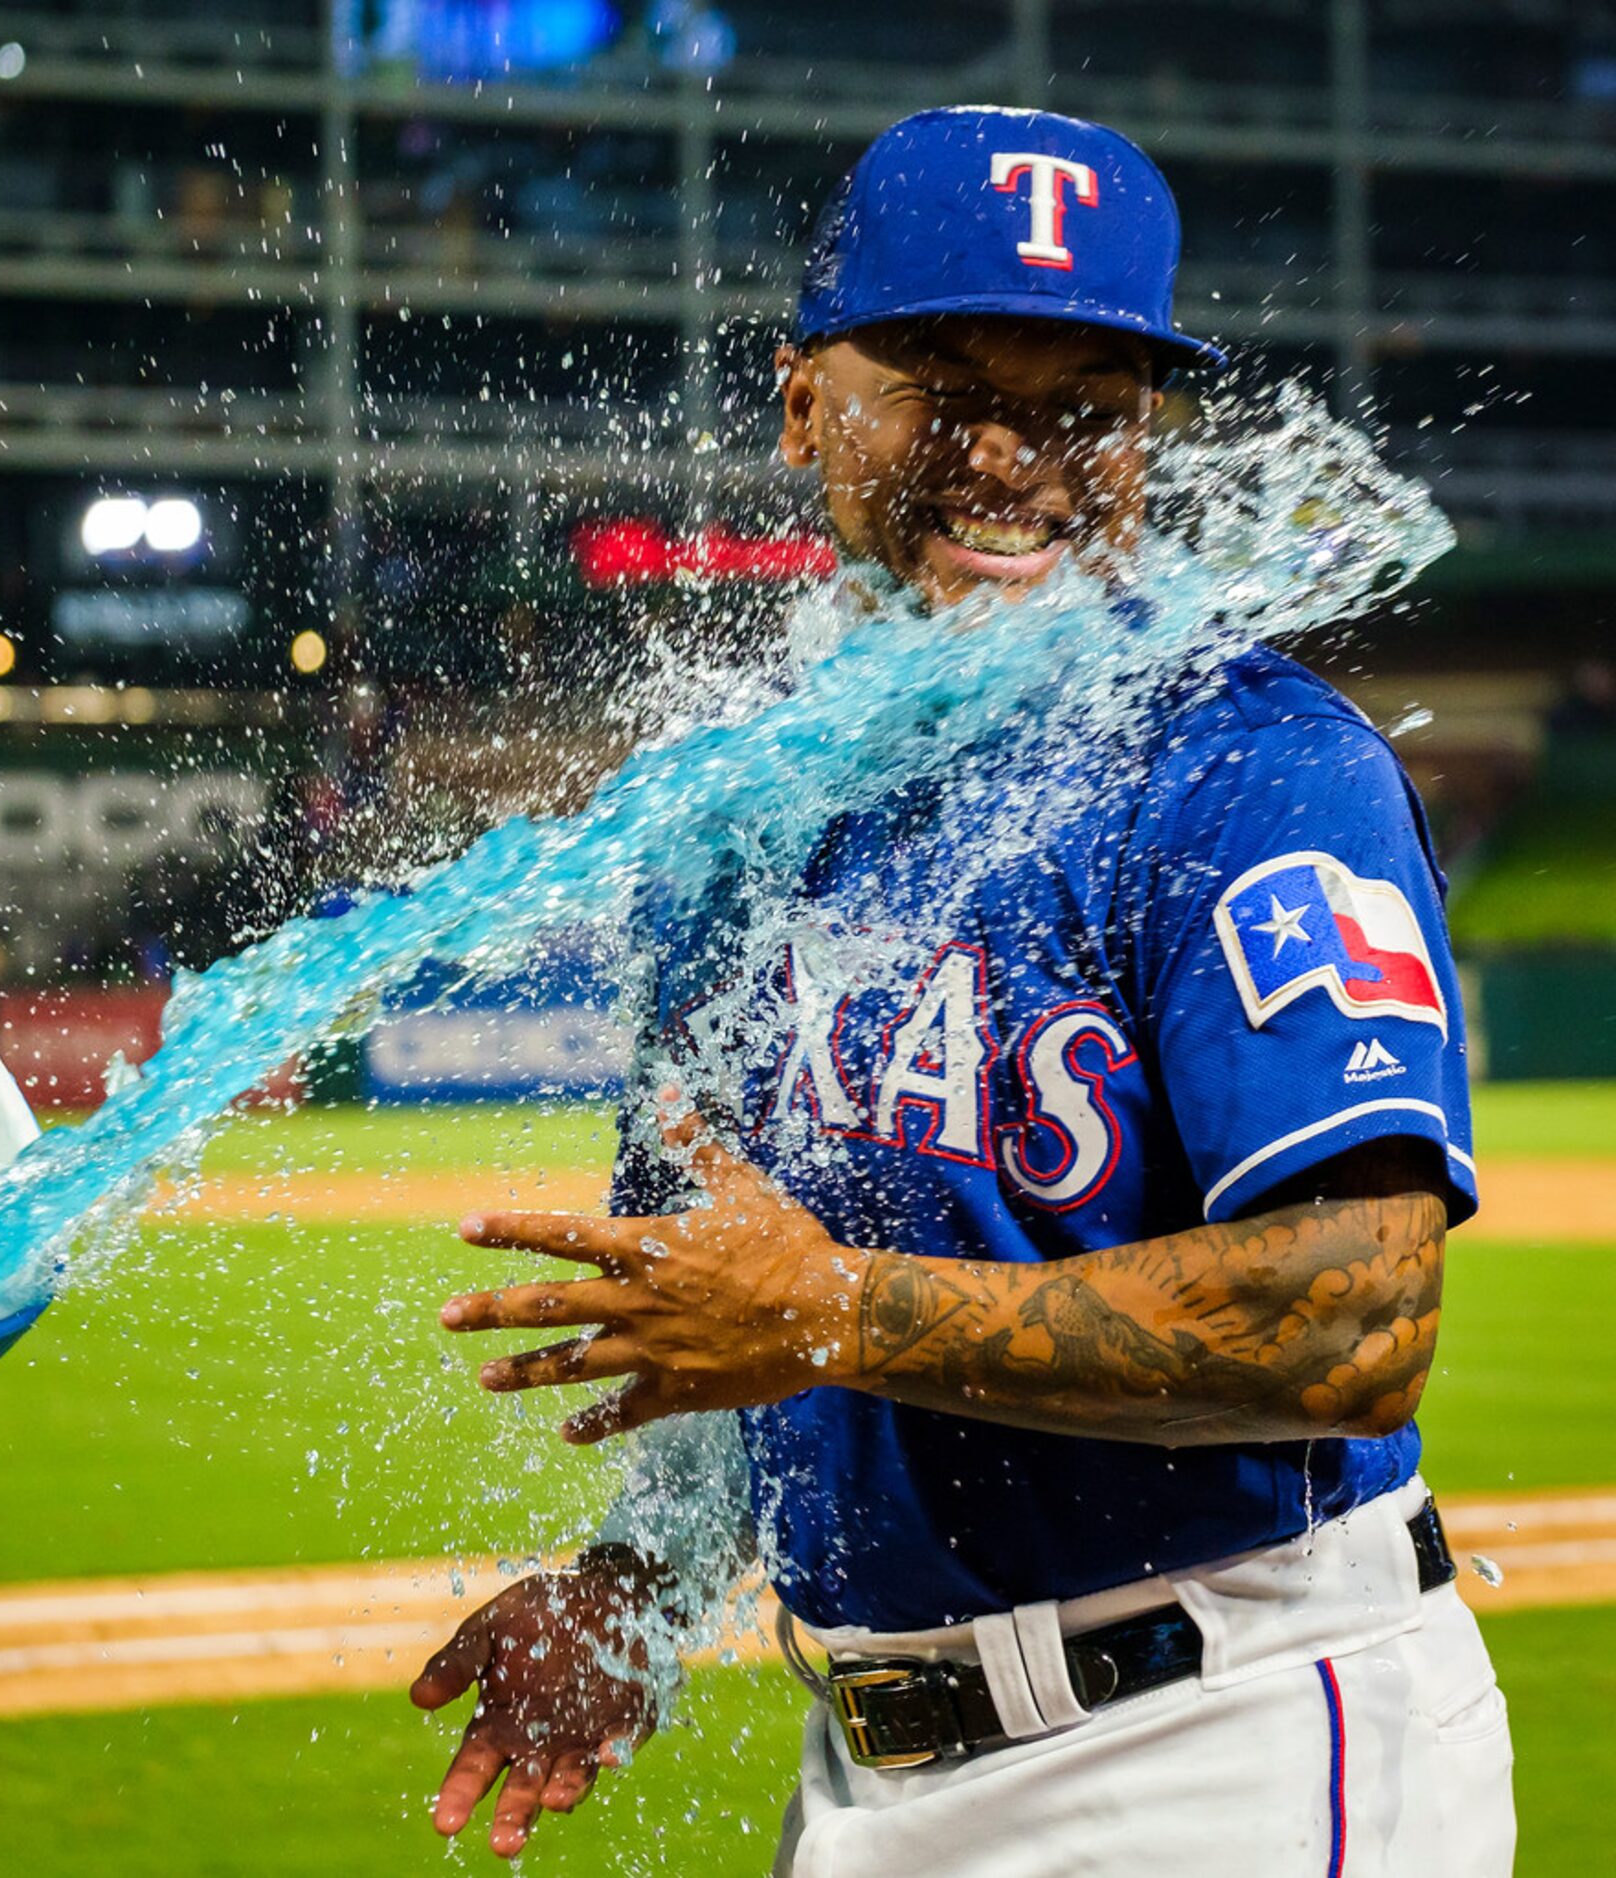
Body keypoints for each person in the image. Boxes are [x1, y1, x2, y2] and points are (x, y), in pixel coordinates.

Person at [411, 107, 1515, 1876]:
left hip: (1221, 1735)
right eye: (942, 380)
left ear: (1148, 436)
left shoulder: (1244, 773)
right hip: (872, 1770)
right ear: (800, 404)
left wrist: (839, 1308)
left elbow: (1354, 1317)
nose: (1014, 457)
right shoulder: (739, 816)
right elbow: (733, 1320)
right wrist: (641, 1584)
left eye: (1084, 402)